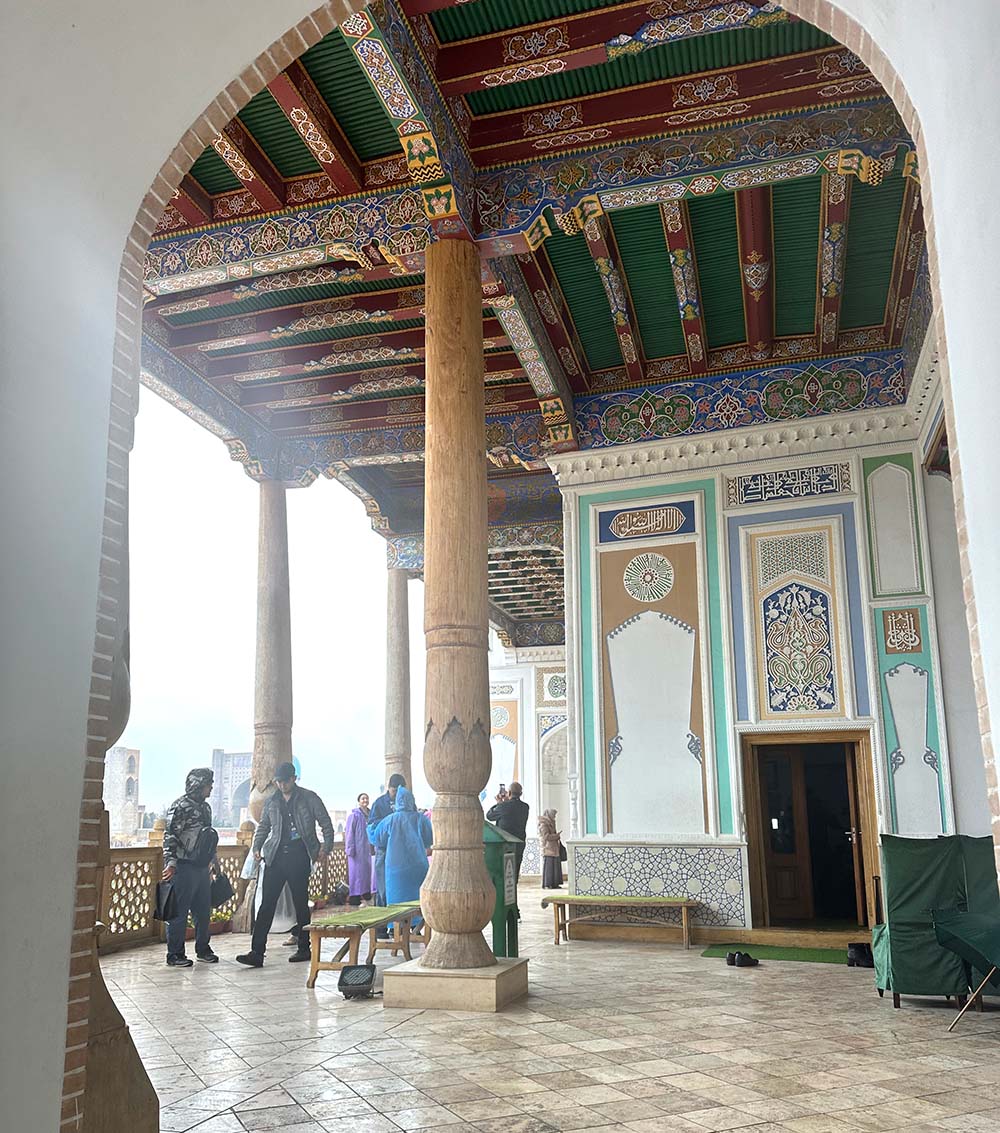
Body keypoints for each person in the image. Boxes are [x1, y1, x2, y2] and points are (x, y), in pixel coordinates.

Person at [237, 762, 334, 967]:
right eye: (278, 782)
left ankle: (303, 947)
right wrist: (257, 847)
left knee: (301, 903)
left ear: (293, 779)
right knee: (266, 904)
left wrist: (325, 849)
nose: (281, 785)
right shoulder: (273, 801)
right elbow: (264, 826)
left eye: (285, 781)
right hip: (276, 856)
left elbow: (326, 823)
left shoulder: (309, 797)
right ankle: (256, 952)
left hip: (299, 854)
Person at [162, 768, 219, 967]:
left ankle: (203, 949)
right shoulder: (180, 806)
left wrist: (214, 862)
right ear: (198, 784)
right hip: (183, 867)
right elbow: (170, 836)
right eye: (208, 784)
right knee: (178, 913)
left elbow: (208, 838)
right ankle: (175, 954)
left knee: (203, 912)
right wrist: (170, 863)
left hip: (202, 867)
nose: (211, 787)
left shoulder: (206, 808)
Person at [371, 787, 433, 905]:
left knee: (397, 906)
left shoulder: (389, 820)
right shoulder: (421, 819)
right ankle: (418, 923)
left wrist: (370, 827)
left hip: (395, 870)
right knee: (419, 903)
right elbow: (430, 838)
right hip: (418, 867)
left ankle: (397, 923)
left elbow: (376, 838)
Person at [367, 773, 405, 905]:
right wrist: (389, 823)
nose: (397, 794)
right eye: (394, 791)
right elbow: (372, 825)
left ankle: (404, 923)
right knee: (383, 885)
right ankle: (382, 923)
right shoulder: (379, 803)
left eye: (400, 791)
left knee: (400, 884)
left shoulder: (408, 803)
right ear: (389, 788)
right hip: (384, 849)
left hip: (401, 851)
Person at [486, 780, 529, 885]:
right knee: (515, 870)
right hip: (519, 842)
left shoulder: (504, 806)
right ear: (521, 794)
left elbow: (489, 816)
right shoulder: (525, 807)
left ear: (509, 793)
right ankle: (513, 893)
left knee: (504, 871)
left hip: (505, 844)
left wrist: (499, 803)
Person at [345, 792, 374, 907]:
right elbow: (349, 833)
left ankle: (366, 893)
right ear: (359, 801)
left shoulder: (371, 815)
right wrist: (349, 848)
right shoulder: (354, 816)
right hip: (357, 849)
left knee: (366, 873)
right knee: (355, 873)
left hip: (367, 849)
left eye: (366, 798)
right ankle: (355, 896)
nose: (365, 800)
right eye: (363, 799)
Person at [538, 809, 563, 890]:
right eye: (553, 815)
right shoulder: (543, 824)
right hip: (548, 848)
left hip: (553, 847)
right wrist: (556, 836)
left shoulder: (551, 823)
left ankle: (554, 884)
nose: (554, 817)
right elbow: (546, 836)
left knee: (555, 866)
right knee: (549, 867)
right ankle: (548, 884)